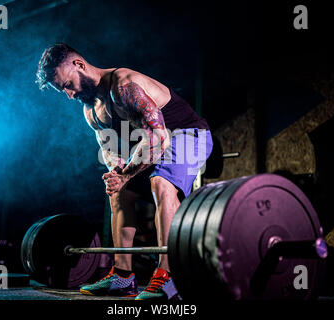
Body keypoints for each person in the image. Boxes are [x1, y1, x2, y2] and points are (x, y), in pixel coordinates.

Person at [36, 43, 213, 300]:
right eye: (62, 90)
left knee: (161, 183)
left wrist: (126, 174)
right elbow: (110, 150)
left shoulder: (123, 85)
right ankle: (123, 276)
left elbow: (157, 136)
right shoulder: (91, 111)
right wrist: (117, 174)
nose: (69, 95)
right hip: (155, 144)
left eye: (67, 85)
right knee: (118, 193)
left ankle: (168, 277)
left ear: (79, 65)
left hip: (187, 134)